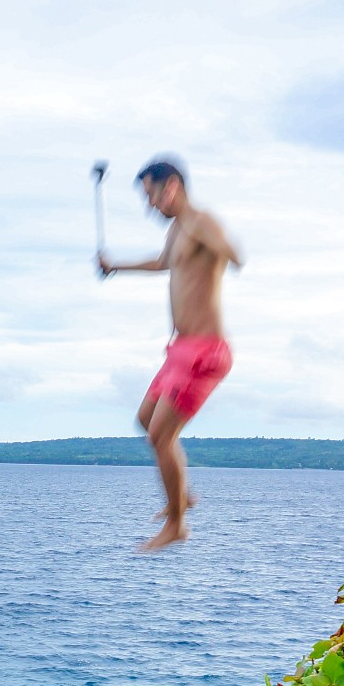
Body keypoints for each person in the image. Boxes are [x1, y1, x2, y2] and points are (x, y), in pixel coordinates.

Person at [98, 157, 243, 550]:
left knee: (161, 436)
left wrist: (223, 250)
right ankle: (183, 494)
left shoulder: (200, 222)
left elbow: (234, 253)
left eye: (151, 196)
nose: (151, 206)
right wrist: (117, 267)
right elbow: (164, 262)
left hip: (205, 353)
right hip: (179, 349)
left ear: (171, 187)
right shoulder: (179, 229)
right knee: (146, 419)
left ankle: (177, 524)